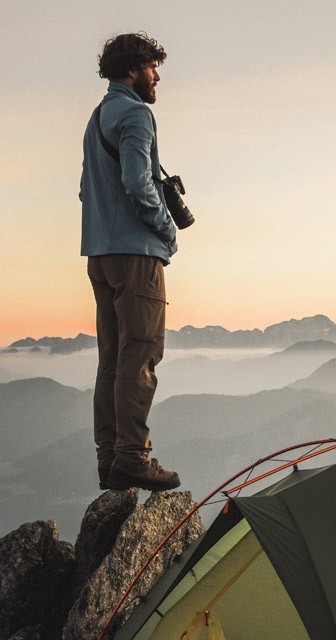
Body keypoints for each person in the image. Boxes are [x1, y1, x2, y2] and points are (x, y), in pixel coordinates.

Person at [81, 32, 182, 491]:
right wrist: (166, 229)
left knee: (112, 360)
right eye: (151, 67)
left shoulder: (98, 117)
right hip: (136, 255)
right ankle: (134, 457)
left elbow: (87, 189)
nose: (157, 75)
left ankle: (110, 459)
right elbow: (139, 184)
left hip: (100, 255)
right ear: (131, 70)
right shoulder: (137, 115)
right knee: (140, 356)